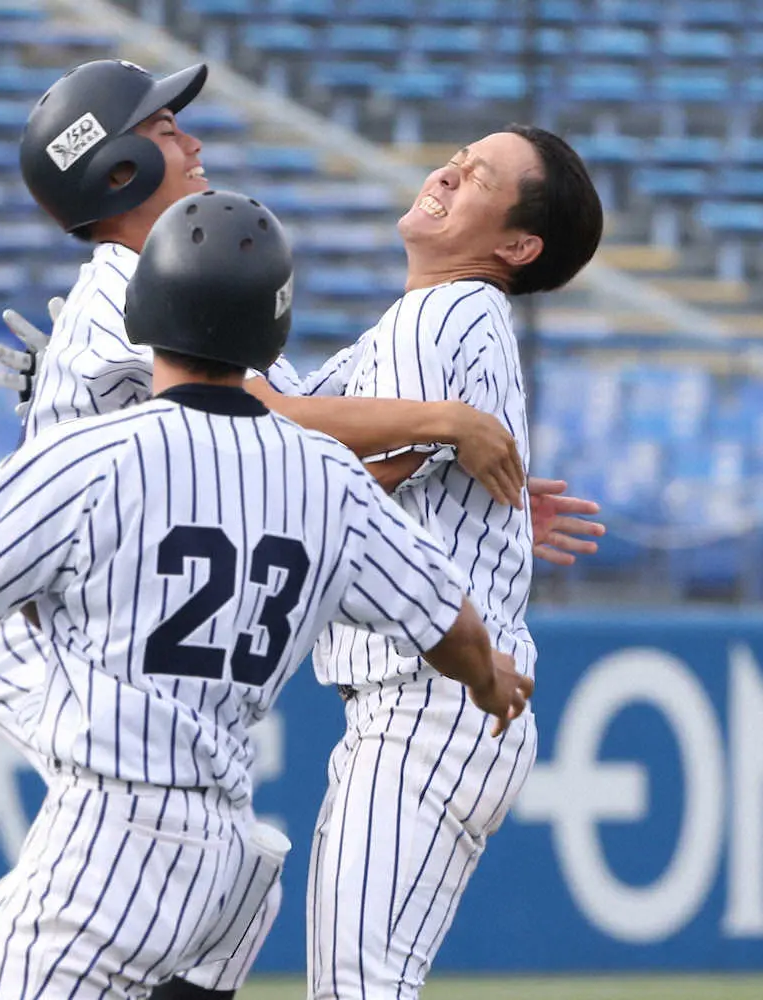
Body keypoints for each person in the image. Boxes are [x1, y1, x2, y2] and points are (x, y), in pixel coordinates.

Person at [0, 58, 533, 1000]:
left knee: (227, 866)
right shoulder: (136, 292)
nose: (192, 139)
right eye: (166, 129)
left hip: (91, 642)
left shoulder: (157, 287)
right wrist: (447, 423)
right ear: (119, 168)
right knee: (162, 849)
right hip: (58, 653)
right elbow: (273, 417)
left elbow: (283, 423)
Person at [304, 126, 605, 999]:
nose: (444, 172)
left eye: (476, 177)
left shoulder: (438, 310)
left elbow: (354, 475)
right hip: (437, 705)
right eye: (457, 158)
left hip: (426, 701)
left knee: (355, 989)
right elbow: (278, 417)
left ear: (515, 245)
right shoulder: (436, 320)